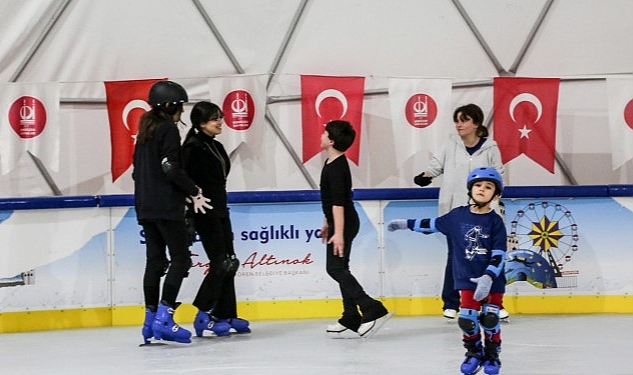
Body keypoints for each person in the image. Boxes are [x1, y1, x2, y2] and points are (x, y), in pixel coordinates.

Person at [388, 166, 506, 375]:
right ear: (470, 189)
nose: (481, 189)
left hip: (492, 281)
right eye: (478, 185)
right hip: (467, 280)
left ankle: (492, 354)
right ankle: (473, 352)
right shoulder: (457, 216)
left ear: (495, 195)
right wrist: (405, 224)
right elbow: (431, 224)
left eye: (488, 187)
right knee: (467, 319)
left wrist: (488, 277)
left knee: (490, 319)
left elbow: (499, 254)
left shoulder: (495, 222)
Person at [133, 80, 212, 344]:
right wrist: (193, 191)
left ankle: (149, 320)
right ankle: (164, 319)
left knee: (155, 262)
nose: (182, 112)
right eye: (180, 106)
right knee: (181, 259)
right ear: (169, 106)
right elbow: (170, 167)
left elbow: (137, 172)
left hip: (145, 205)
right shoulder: (167, 129)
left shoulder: (145, 131)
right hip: (166, 206)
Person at [413, 103, 508, 321]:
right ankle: (451, 302)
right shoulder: (450, 144)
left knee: (493, 256)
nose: (459, 125)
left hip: (486, 213)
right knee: (456, 257)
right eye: (457, 120)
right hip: (457, 211)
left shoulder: (490, 148)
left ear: (476, 123)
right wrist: (425, 175)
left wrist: (495, 202)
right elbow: (436, 165)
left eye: (464, 120)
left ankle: (494, 302)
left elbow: (499, 174)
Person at [181, 101, 250, 337]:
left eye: (220, 117)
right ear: (200, 123)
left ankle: (225, 313)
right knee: (220, 262)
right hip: (204, 211)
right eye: (214, 118)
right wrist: (189, 214)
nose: (220, 121)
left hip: (221, 208)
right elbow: (184, 183)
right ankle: (202, 313)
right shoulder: (191, 147)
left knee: (230, 260)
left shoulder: (216, 146)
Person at [320, 120, 392, 338]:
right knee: (341, 267)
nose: (321, 135)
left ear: (331, 140)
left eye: (324, 133)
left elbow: (339, 203)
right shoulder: (331, 162)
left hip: (345, 222)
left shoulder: (338, 166)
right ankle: (350, 315)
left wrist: (338, 232)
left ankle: (369, 306)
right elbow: (330, 200)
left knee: (334, 268)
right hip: (338, 221)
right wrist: (327, 222)